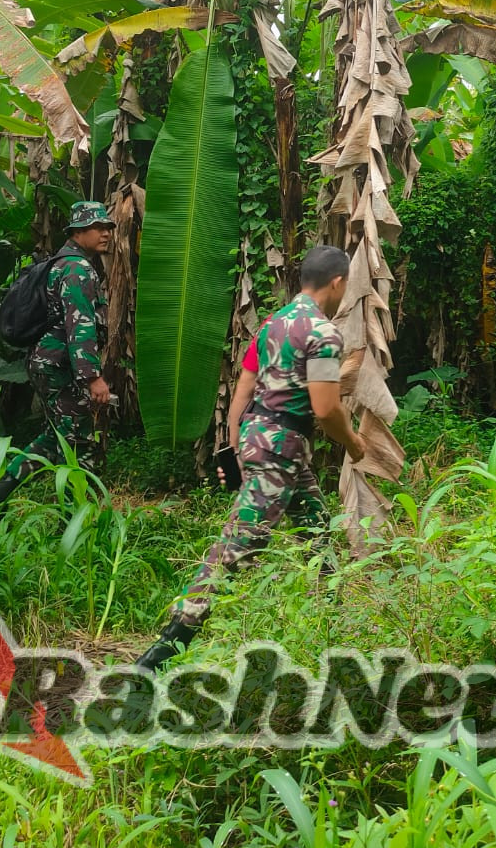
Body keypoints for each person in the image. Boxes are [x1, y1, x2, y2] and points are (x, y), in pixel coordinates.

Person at [136, 244, 364, 671]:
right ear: (337, 283)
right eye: (346, 285)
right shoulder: (323, 333)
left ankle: (334, 622)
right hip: (282, 447)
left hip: (267, 437)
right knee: (237, 547)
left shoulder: (274, 324)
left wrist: (237, 439)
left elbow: (245, 383)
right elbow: (326, 408)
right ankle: (165, 648)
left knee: (316, 528)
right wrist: (353, 444)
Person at [0, 200, 114, 502]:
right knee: (79, 441)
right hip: (62, 366)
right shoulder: (77, 269)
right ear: (77, 232)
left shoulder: (60, 263)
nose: (105, 233)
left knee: (55, 436)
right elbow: (80, 326)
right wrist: (92, 377)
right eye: (96, 227)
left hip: (45, 361)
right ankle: (75, 519)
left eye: (107, 227)